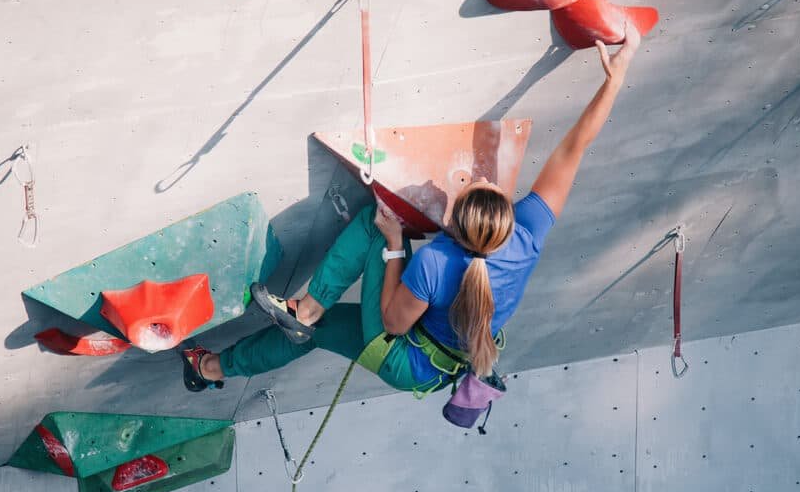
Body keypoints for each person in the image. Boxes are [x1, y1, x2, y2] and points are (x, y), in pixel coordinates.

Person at [181, 25, 641, 394]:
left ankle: (306, 308)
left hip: (404, 356)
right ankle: (212, 369)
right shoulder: (526, 234)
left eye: (469, 187)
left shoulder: (438, 264)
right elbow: (574, 149)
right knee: (316, 335)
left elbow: (391, 322)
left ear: (456, 228)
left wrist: (398, 247)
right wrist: (616, 79)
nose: (477, 178)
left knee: (374, 228)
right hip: (436, 353)